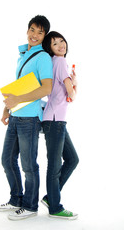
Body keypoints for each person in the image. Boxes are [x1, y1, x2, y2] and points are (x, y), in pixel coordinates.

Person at [0, 15, 53, 220]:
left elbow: (46, 88)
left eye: (40, 32)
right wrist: (7, 109)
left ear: (44, 36)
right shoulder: (22, 55)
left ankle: (30, 206)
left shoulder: (43, 57)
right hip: (16, 116)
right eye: (32, 30)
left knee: (28, 164)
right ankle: (16, 199)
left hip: (29, 119)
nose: (34, 35)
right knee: (7, 159)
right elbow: (20, 88)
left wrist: (17, 99)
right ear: (27, 30)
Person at [41, 31, 79, 220]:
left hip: (56, 120)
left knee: (72, 159)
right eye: (55, 44)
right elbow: (71, 95)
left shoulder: (55, 63)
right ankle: (55, 207)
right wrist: (73, 84)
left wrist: (72, 86)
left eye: (62, 41)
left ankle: (50, 197)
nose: (60, 45)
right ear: (50, 49)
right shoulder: (61, 62)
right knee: (55, 166)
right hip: (55, 121)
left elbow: (67, 96)